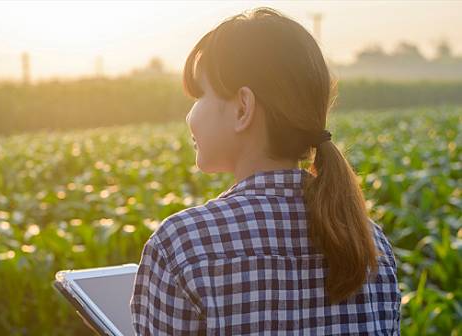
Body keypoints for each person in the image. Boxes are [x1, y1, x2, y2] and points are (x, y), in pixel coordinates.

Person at [129, 7, 401, 335]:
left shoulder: (184, 246)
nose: (190, 115)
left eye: (200, 95)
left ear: (243, 107)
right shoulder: (370, 245)